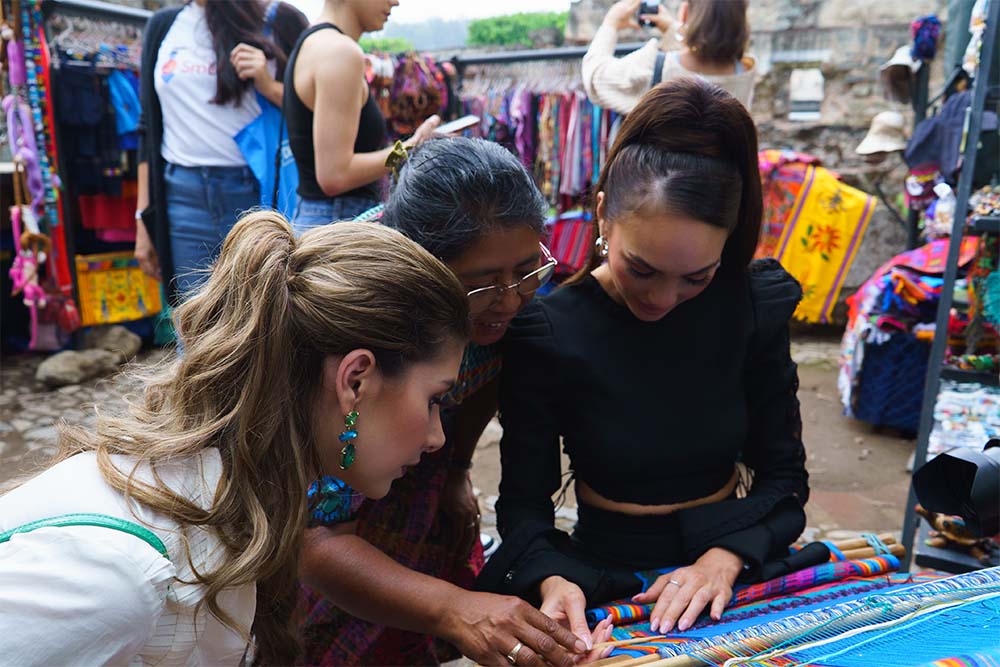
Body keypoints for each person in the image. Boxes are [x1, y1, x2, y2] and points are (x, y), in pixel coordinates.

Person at [0, 211, 474, 664]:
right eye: (434, 400)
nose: (435, 437)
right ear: (355, 381)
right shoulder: (122, 576)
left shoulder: (231, 508)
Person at [479, 78, 809, 640]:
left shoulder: (751, 309)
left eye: (696, 278)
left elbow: (784, 480)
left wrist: (722, 560)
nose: (661, 300)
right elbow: (524, 507)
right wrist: (555, 580)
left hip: (734, 563)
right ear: (603, 214)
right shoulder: (549, 331)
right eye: (643, 269)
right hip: (602, 573)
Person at [298, 137, 614, 666]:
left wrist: (454, 471)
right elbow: (318, 537)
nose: (510, 300)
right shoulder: (352, 324)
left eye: (525, 272)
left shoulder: (496, 314)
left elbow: (487, 375)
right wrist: (454, 610)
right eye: (483, 285)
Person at [134, 0, 307, 302]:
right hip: (181, 196)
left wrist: (268, 85)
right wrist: (142, 219)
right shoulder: (164, 26)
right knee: (195, 319)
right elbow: (148, 127)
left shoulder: (277, 20)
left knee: (261, 316)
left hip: (255, 194)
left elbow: (314, 111)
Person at [284, 0, 440, 233]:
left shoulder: (313, 41)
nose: (395, 2)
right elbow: (334, 176)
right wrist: (412, 147)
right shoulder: (340, 52)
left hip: (320, 219)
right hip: (339, 223)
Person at [582, 0, 755, 113]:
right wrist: (674, 29)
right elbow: (707, 52)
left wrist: (611, 23)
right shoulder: (745, 70)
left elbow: (596, 78)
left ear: (685, 12)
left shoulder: (653, 66)